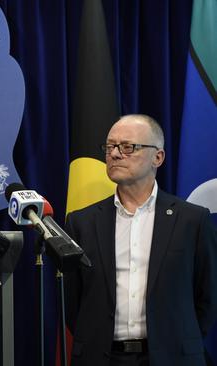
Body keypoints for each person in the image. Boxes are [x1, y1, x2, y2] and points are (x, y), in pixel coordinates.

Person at [64, 114, 217, 366]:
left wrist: (175, 340)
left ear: (158, 157)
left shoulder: (192, 220)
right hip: (102, 357)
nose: (114, 154)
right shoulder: (81, 222)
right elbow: (72, 300)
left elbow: (207, 297)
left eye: (127, 147)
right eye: (110, 146)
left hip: (172, 357)